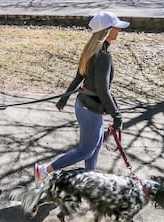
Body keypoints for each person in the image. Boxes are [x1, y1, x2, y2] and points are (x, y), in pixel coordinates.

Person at [34, 11, 129, 182]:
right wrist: (117, 117)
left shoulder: (91, 49)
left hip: (84, 106)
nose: (119, 31)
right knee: (84, 151)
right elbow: (103, 91)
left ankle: (90, 179)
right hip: (91, 110)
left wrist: (64, 98)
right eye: (116, 28)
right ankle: (43, 170)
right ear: (107, 30)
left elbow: (79, 76)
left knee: (96, 145)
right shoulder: (104, 56)